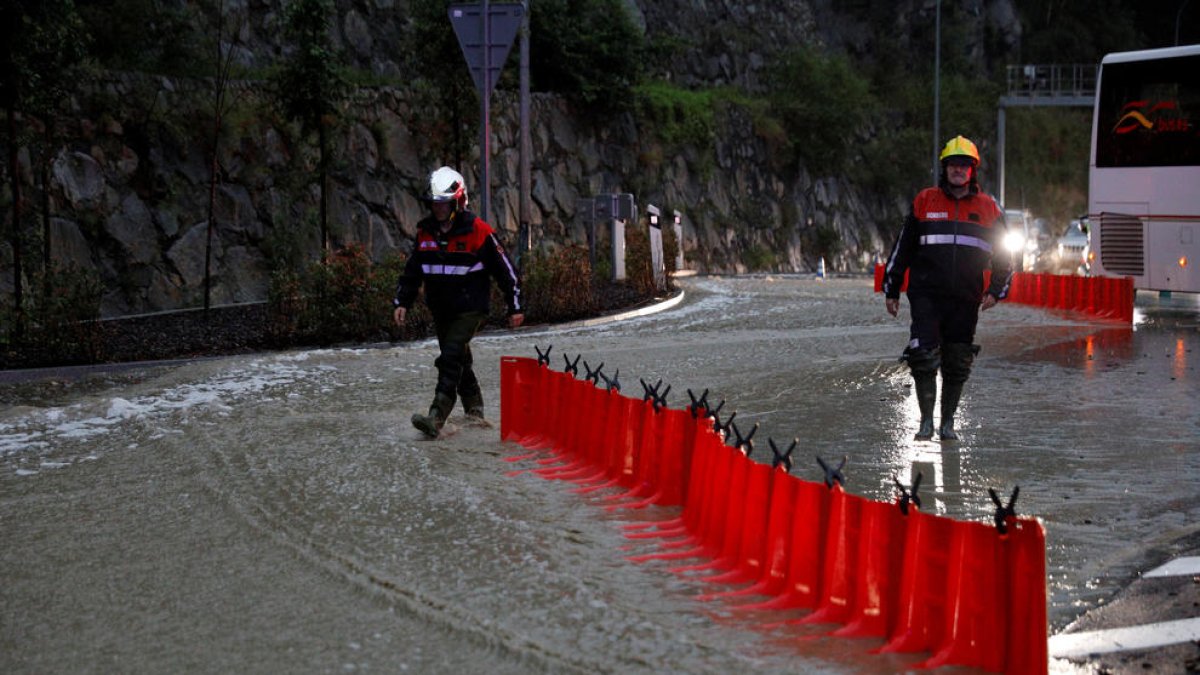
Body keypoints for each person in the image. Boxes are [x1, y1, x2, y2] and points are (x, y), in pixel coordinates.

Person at [882, 135, 1013, 441]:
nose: (958, 170)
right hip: (926, 294)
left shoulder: (988, 208)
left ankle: (948, 424)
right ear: (945, 168)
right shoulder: (924, 201)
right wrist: (891, 288)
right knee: (923, 355)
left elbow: (1006, 253)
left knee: (957, 361)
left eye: (964, 165)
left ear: (972, 171)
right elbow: (903, 248)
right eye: (953, 164)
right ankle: (926, 422)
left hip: (966, 298)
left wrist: (996, 289)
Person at [393, 166, 524, 437]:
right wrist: (402, 302)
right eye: (434, 203)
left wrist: (515, 306)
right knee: (460, 361)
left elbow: (505, 269)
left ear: (458, 201)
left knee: (450, 354)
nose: (438, 209)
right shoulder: (425, 233)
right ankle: (476, 412)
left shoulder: (478, 231)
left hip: (470, 309)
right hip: (441, 310)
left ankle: (436, 415)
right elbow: (412, 270)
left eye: (444, 203)